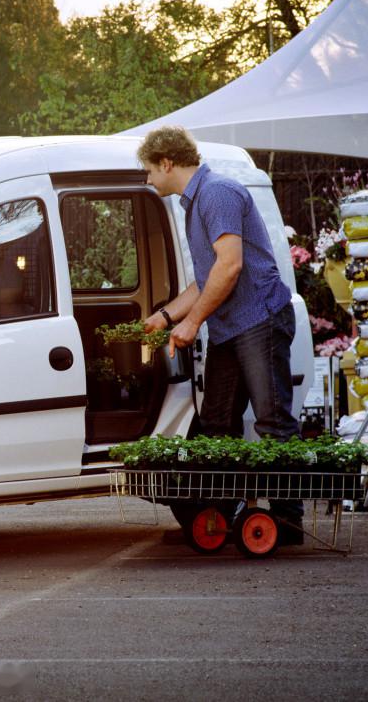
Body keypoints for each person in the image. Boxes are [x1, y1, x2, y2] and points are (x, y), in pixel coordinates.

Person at [137, 126, 303, 543]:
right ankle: (223, 514)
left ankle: (287, 522)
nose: (148, 180)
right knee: (216, 424)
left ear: (167, 162)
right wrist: (165, 316)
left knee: (273, 421)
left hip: (260, 319)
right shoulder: (193, 204)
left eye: (148, 171)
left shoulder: (217, 193)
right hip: (230, 327)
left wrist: (192, 323)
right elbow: (204, 281)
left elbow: (230, 267)